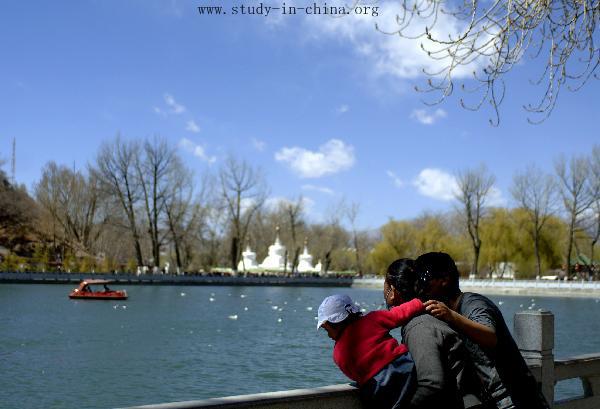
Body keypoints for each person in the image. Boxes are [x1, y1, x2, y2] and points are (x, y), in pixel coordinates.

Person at [416, 251, 550, 409]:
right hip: (494, 399)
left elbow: (490, 336)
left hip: (515, 398)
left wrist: (451, 315)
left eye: (424, 281)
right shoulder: (445, 314)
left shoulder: (474, 304)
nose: (421, 289)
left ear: (444, 280)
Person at [385, 258, 478, 409]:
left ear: (392, 292)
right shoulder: (430, 317)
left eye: (385, 285)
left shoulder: (419, 326)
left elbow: (432, 384)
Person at [317, 293, 424, 408]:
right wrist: (419, 303)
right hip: (404, 366)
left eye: (327, 330)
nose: (328, 335)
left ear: (335, 324)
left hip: (375, 386)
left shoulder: (338, 353)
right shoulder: (373, 319)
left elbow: (355, 376)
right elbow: (398, 314)